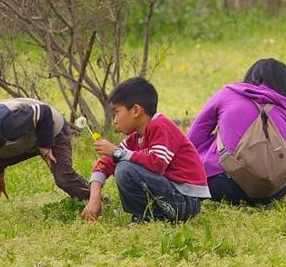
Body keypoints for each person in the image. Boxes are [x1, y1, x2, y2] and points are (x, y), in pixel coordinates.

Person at [0, 92, 90, 220]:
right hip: (22, 140)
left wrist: (45, 147)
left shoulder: (9, 122)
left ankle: (96, 202)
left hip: (50, 131)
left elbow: (43, 112)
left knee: (63, 177)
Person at [82, 76, 209, 223]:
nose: (115, 119)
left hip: (186, 200)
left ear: (136, 110)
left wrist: (117, 152)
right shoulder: (135, 138)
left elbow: (157, 162)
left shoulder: (161, 126)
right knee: (123, 165)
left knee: (125, 169)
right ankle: (148, 217)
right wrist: (94, 196)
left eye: (117, 112)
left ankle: (152, 218)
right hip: (173, 196)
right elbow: (105, 164)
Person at [188, 57, 286, 204]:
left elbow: (192, 140)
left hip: (220, 185)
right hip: (269, 192)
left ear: (251, 77)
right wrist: (282, 189)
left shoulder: (227, 94)